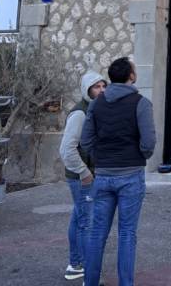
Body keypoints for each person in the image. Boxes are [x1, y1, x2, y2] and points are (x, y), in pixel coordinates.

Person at [81, 58, 155, 286]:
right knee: (127, 234)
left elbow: (86, 141)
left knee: (97, 233)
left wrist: (100, 158)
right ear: (131, 76)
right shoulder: (141, 103)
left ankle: (90, 282)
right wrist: (139, 156)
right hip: (131, 175)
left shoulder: (96, 104)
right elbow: (149, 142)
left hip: (103, 175)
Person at [59, 71, 106, 281]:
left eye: (103, 86)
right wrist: (84, 172)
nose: (101, 90)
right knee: (87, 223)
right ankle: (89, 272)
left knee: (79, 218)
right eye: (96, 87)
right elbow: (66, 149)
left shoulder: (95, 109)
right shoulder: (80, 113)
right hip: (81, 177)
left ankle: (75, 264)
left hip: (88, 174)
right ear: (87, 90)